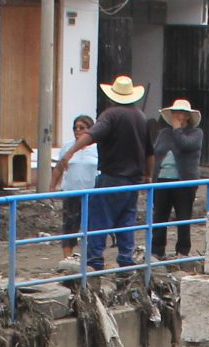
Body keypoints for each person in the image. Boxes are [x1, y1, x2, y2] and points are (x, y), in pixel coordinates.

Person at [86, 74, 153, 271]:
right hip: (133, 179)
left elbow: (91, 135)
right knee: (126, 220)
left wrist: (71, 151)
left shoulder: (110, 115)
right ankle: (125, 259)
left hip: (112, 177)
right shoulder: (141, 117)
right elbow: (150, 152)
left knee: (99, 219)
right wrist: (148, 176)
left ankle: (95, 260)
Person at [149, 99, 205, 259]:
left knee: (183, 216)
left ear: (187, 116)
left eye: (181, 113)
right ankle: (157, 250)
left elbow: (185, 145)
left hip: (184, 182)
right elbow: (156, 152)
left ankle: (182, 251)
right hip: (162, 180)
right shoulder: (163, 133)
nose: (177, 115)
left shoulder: (196, 133)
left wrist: (177, 129)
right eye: (175, 113)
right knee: (159, 216)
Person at [53, 114, 97, 255]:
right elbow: (59, 168)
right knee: (69, 227)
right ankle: (67, 258)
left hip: (92, 194)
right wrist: (51, 188)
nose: (78, 130)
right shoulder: (68, 147)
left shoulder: (97, 148)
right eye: (75, 128)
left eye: (82, 128)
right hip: (71, 192)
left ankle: (90, 258)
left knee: (92, 227)